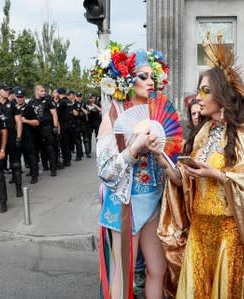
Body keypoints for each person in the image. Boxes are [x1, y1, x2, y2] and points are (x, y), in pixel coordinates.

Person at [156, 37, 244, 298]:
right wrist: (165, 162)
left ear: (223, 94)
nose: (198, 97)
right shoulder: (203, 132)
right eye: (198, 90)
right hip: (200, 234)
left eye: (205, 90)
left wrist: (217, 174)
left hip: (232, 237)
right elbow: (187, 181)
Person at [96, 45, 176, 299]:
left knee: (158, 268)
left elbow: (167, 161)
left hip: (153, 201)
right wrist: (133, 150)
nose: (150, 81)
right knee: (123, 271)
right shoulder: (113, 117)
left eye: (152, 76)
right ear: (127, 80)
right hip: (124, 204)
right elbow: (106, 171)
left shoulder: (159, 115)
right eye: (143, 76)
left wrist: (159, 154)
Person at [28, 84, 59, 176]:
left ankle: (53, 169)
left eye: (44, 91)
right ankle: (44, 166)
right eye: (41, 91)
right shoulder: (31, 102)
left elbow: (54, 114)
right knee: (39, 150)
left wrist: (55, 126)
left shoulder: (48, 101)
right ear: (36, 91)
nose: (43, 92)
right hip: (35, 129)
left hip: (47, 127)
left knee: (50, 148)